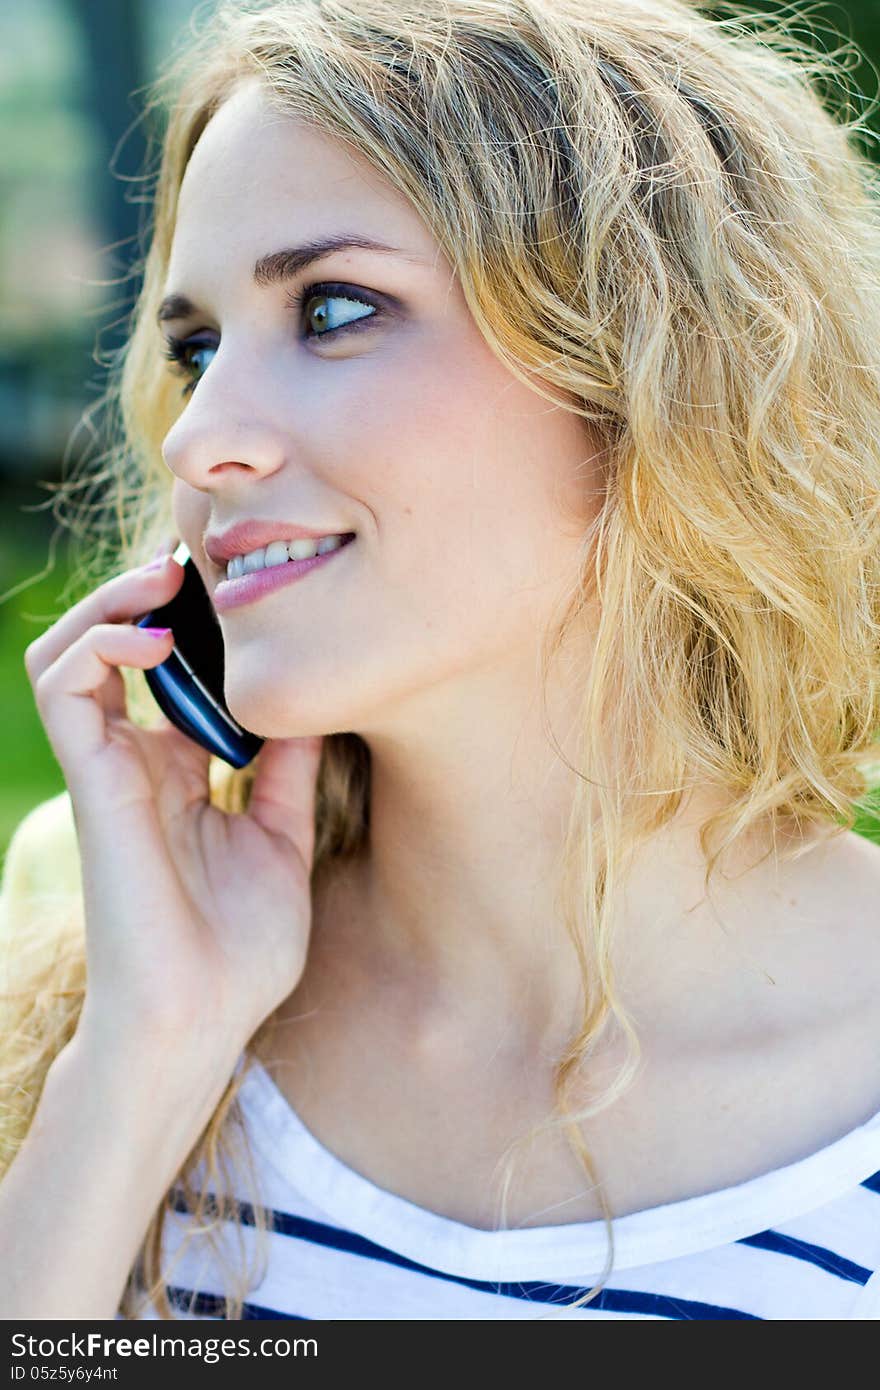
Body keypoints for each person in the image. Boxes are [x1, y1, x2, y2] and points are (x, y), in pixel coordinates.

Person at [2, 0, 880, 1322]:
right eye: (195, 349)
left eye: (336, 307)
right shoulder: (109, 969)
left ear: (651, 365)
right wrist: (139, 1059)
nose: (197, 441)